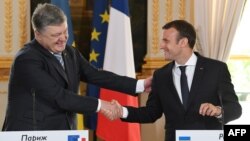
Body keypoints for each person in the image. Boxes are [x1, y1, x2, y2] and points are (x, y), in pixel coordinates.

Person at [1, 3, 152, 131]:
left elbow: (96, 75)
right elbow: (59, 96)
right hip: (32, 133)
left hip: (64, 131)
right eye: (56, 35)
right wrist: (101, 105)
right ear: (38, 34)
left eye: (65, 32)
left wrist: (140, 85)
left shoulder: (70, 52)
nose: (63, 39)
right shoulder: (27, 59)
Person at [110, 20, 242, 141]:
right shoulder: (161, 75)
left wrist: (218, 111)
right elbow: (151, 113)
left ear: (183, 42)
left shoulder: (216, 69)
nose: (161, 46)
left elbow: (235, 109)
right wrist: (122, 111)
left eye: (166, 41)